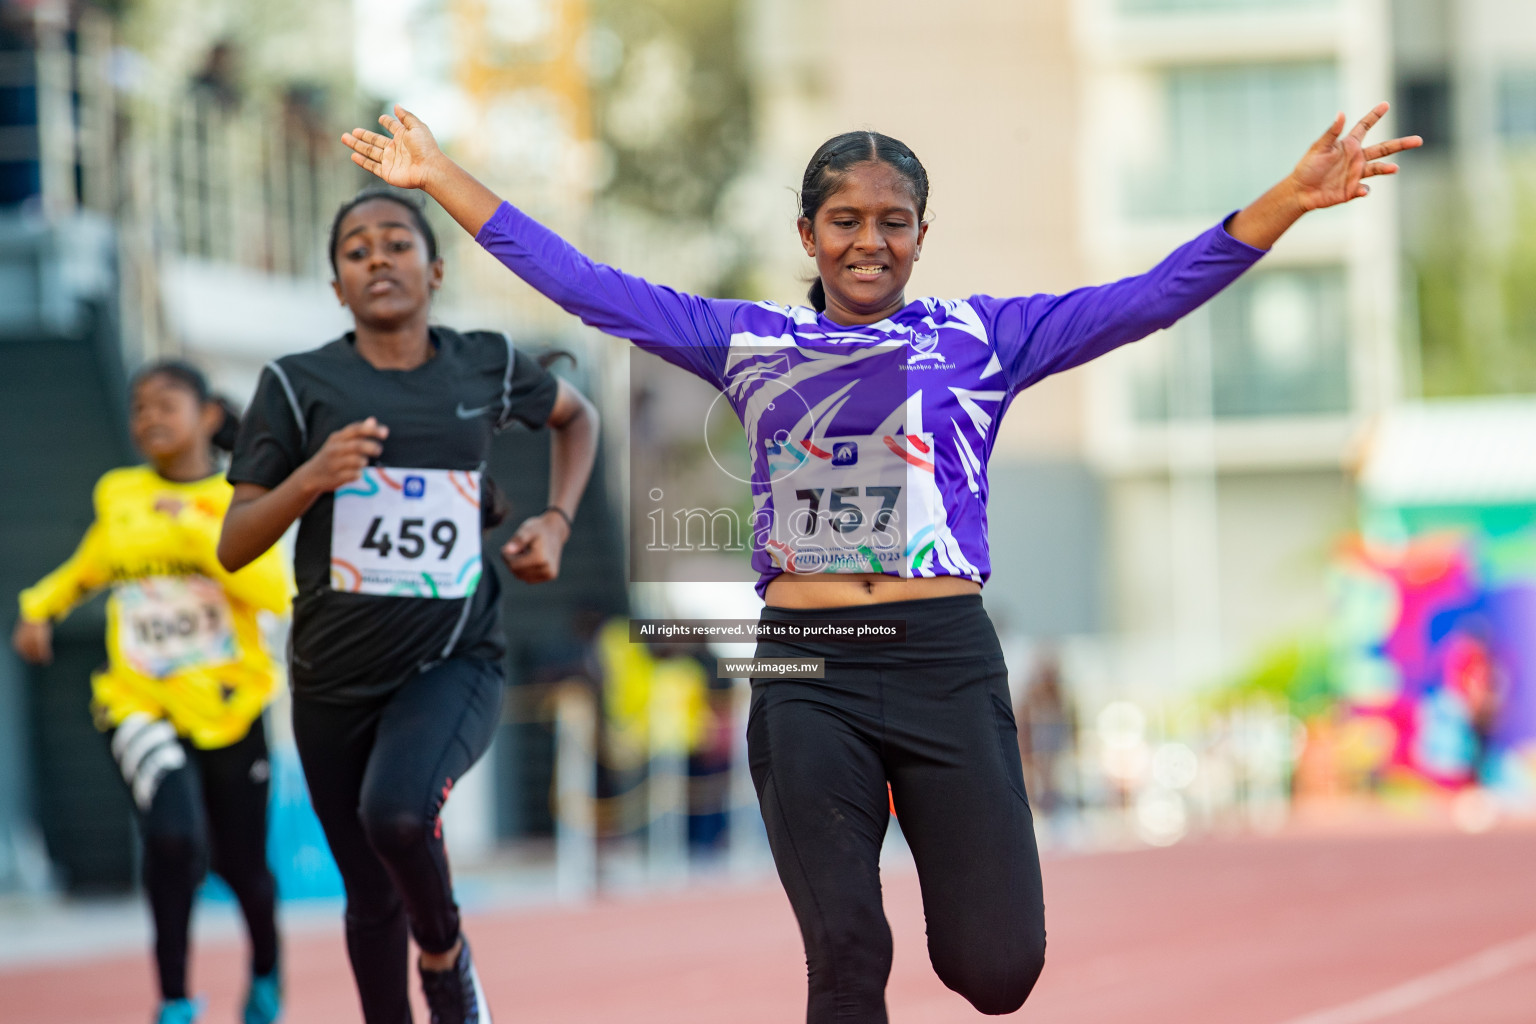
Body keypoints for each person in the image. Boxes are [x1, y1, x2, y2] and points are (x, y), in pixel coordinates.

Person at [340, 102, 1419, 1022]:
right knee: (849, 949)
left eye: (891, 223)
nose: (869, 242)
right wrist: (440, 179)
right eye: (845, 221)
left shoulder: (984, 339)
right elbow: (582, 283)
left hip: (946, 659)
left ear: (921, 233)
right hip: (811, 666)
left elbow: (1150, 297)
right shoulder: (744, 340)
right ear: (806, 233)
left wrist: (1283, 201)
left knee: (997, 970)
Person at [216, 188, 599, 1024]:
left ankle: (447, 957)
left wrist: (558, 523)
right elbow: (236, 541)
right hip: (331, 676)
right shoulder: (295, 384)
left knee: (396, 815)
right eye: (356, 251)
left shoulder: (484, 363)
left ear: (433, 269)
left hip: (452, 656)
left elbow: (580, 419)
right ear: (336, 286)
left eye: (396, 243)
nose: (378, 259)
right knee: (366, 895)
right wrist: (312, 476)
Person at [12, 361, 291, 1024]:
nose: (149, 419)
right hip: (140, 699)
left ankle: (265, 976)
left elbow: (276, 593)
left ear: (209, 417)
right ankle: (172, 1000)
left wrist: (198, 537)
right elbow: (92, 562)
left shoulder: (240, 497)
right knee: (173, 840)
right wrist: (38, 609)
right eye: (139, 408)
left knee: (243, 865)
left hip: (231, 705)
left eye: (166, 405)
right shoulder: (120, 492)